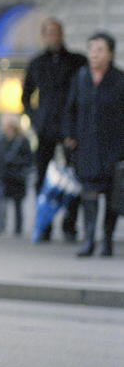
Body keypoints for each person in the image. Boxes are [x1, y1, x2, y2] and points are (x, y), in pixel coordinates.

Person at [23, 18, 87, 242]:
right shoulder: (37, 63)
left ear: (62, 34)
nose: (53, 37)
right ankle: (44, 225)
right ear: (44, 36)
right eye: (48, 33)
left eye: (56, 32)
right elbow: (25, 97)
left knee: (73, 177)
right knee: (42, 178)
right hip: (45, 129)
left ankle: (70, 225)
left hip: (70, 129)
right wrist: (35, 119)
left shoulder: (77, 61)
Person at [63, 31, 124, 257]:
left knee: (112, 196)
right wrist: (69, 135)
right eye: (91, 50)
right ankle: (88, 239)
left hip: (114, 148)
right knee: (88, 193)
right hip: (87, 147)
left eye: (100, 50)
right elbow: (70, 109)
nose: (94, 55)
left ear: (110, 53)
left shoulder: (119, 80)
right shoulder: (81, 78)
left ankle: (106, 239)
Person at [0, 112, 33, 235]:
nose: (2, 126)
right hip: (2, 177)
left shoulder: (23, 141)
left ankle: (18, 228)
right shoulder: (1, 140)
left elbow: (29, 160)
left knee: (17, 204)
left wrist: (15, 161)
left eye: (4, 123)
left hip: (17, 178)